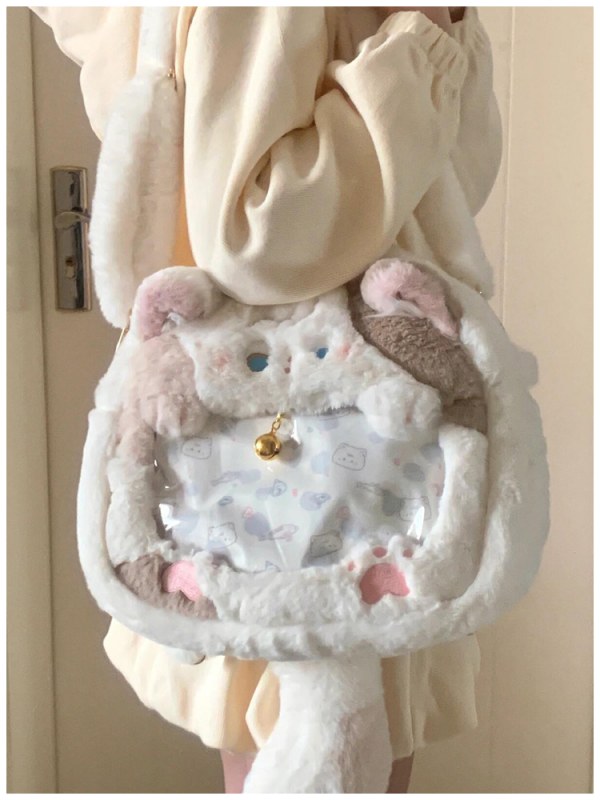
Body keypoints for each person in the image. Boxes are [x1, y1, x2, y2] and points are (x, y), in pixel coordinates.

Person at [33, 6, 502, 792]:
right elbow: (257, 240)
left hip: (317, 458)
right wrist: (421, 37)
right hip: (315, 460)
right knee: (320, 727)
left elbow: (449, 178)